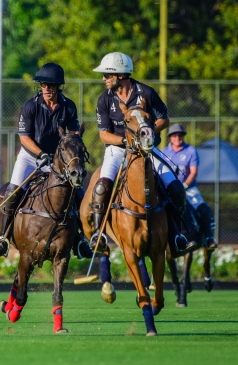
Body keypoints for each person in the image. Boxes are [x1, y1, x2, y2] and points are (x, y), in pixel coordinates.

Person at [90, 52, 197, 256]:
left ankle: (177, 235)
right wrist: (127, 140)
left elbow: (164, 119)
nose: (103, 79)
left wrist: (146, 133)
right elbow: (104, 135)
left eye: (106, 74)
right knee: (101, 187)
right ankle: (98, 234)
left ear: (120, 75)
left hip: (146, 149)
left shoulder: (146, 93)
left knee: (175, 188)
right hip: (118, 150)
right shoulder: (104, 99)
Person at [0, 62, 93, 258]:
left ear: (58, 87)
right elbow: (24, 138)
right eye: (43, 85)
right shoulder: (30, 106)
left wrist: (74, 144)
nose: (46, 89)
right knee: (12, 192)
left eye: (50, 85)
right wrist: (40, 154)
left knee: (78, 194)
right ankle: (3, 237)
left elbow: (74, 133)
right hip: (30, 157)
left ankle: (79, 239)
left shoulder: (68, 107)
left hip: (57, 161)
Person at [162, 124, 218, 250]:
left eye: (180, 135)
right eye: (175, 135)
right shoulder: (164, 152)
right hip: (169, 190)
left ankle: (209, 238)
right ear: (170, 137)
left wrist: (184, 185)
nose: (178, 137)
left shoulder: (190, 151)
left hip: (189, 188)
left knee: (203, 209)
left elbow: (193, 172)